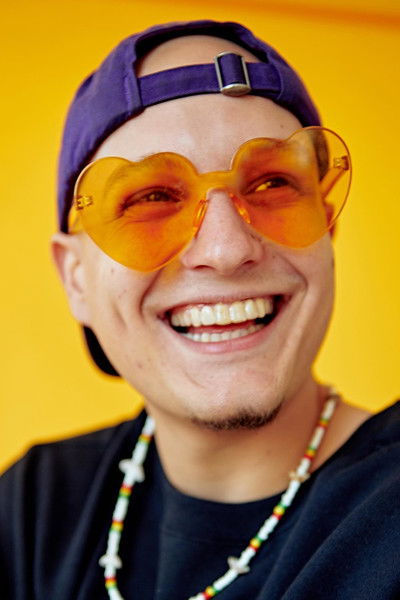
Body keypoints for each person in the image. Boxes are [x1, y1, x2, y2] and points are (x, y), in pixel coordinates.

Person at [0, 19, 399, 600]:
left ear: (326, 232)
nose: (226, 249)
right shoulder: (35, 511)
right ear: (76, 279)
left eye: (272, 184)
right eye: (152, 197)